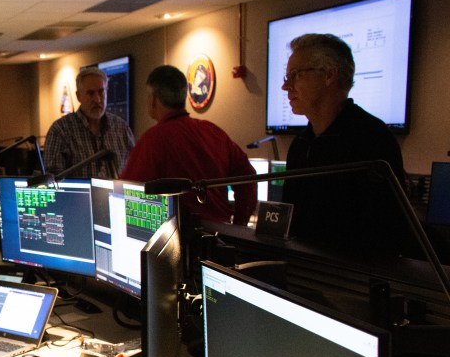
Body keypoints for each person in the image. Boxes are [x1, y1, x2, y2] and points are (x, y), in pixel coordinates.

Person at [280, 33, 410, 256]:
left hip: (351, 279)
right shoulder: (301, 144)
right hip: (303, 271)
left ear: (329, 75)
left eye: (295, 75)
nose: (285, 86)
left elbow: (385, 232)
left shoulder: (371, 139)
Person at [121, 65, 256, 225]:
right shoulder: (213, 132)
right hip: (222, 238)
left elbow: (127, 195)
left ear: (153, 100)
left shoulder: (153, 140)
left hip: (180, 241)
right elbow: (248, 178)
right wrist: (239, 225)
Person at [43, 66, 135, 179]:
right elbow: (54, 181)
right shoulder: (60, 130)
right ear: (78, 96)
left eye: (101, 92)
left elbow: (135, 171)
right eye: (90, 93)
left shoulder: (122, 129)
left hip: (116, 196)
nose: (97, 100)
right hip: (79, 196)